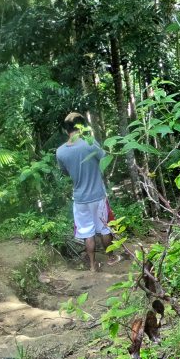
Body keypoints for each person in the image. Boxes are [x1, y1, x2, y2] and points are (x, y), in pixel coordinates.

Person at [56, 112, 118, 272]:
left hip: (80, 199)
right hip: (97, 195)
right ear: (82, 126)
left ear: (66, 130)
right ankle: (111, 258)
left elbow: (65, 172)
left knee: (86, 232)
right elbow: (104, 160)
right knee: (104, 228)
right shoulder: (90, 143)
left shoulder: (60, 152)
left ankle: (91, 265)